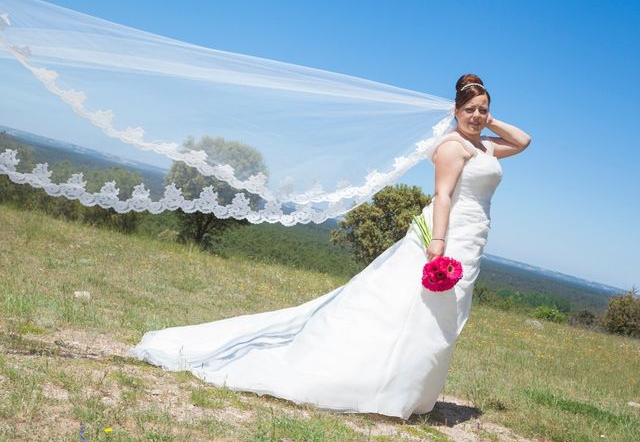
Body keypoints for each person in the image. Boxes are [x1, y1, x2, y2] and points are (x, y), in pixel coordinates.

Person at [130, 74, 531, 420]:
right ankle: (385, 387)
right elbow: (442, 195)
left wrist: (489, 118)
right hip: (446, 234)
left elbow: (524, 141)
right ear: (455, 112)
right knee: (413, 307)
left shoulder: (485, 146)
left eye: (483, 110)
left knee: (445, 313)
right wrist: (438, 244)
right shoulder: (452, 147)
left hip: (473, 237)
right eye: (471, 110)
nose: (477, 117)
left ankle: (413, 390)